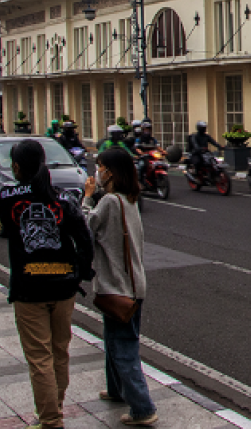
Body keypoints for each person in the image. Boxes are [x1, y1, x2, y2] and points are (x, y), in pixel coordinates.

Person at [0, 139, 94, 429]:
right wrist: (80, 271)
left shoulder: (6, 197)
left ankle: (51, 419)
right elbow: (84, 239)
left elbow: (4, 228)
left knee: (39, 356)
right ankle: (55, 407)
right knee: (60, 351)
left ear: (17, 166)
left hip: (29, 288)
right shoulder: (64, 198)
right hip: (64, 285)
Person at [82, 148, 158, 426]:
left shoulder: (110, 202)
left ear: (110, 172)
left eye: (100, 167)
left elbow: (86, 227)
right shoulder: (129, 199)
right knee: (116, 340)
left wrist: (87, 198)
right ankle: (116, 390)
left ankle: (142, 407)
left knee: (122, 347)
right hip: (134, 285)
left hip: (117, 287)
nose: (97, 172)